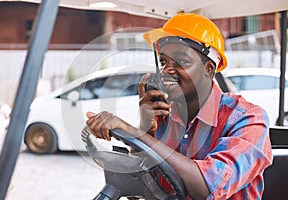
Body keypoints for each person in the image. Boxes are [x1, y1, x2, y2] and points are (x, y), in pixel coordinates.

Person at [86, 13, 273, 199]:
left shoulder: (248, 119)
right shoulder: (161, 115)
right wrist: (144, 126)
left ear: (209, 69)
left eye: (181, 61)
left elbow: (207, 188)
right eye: (163, 62)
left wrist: (136, 133)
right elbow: (137, 190)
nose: (167, 70)